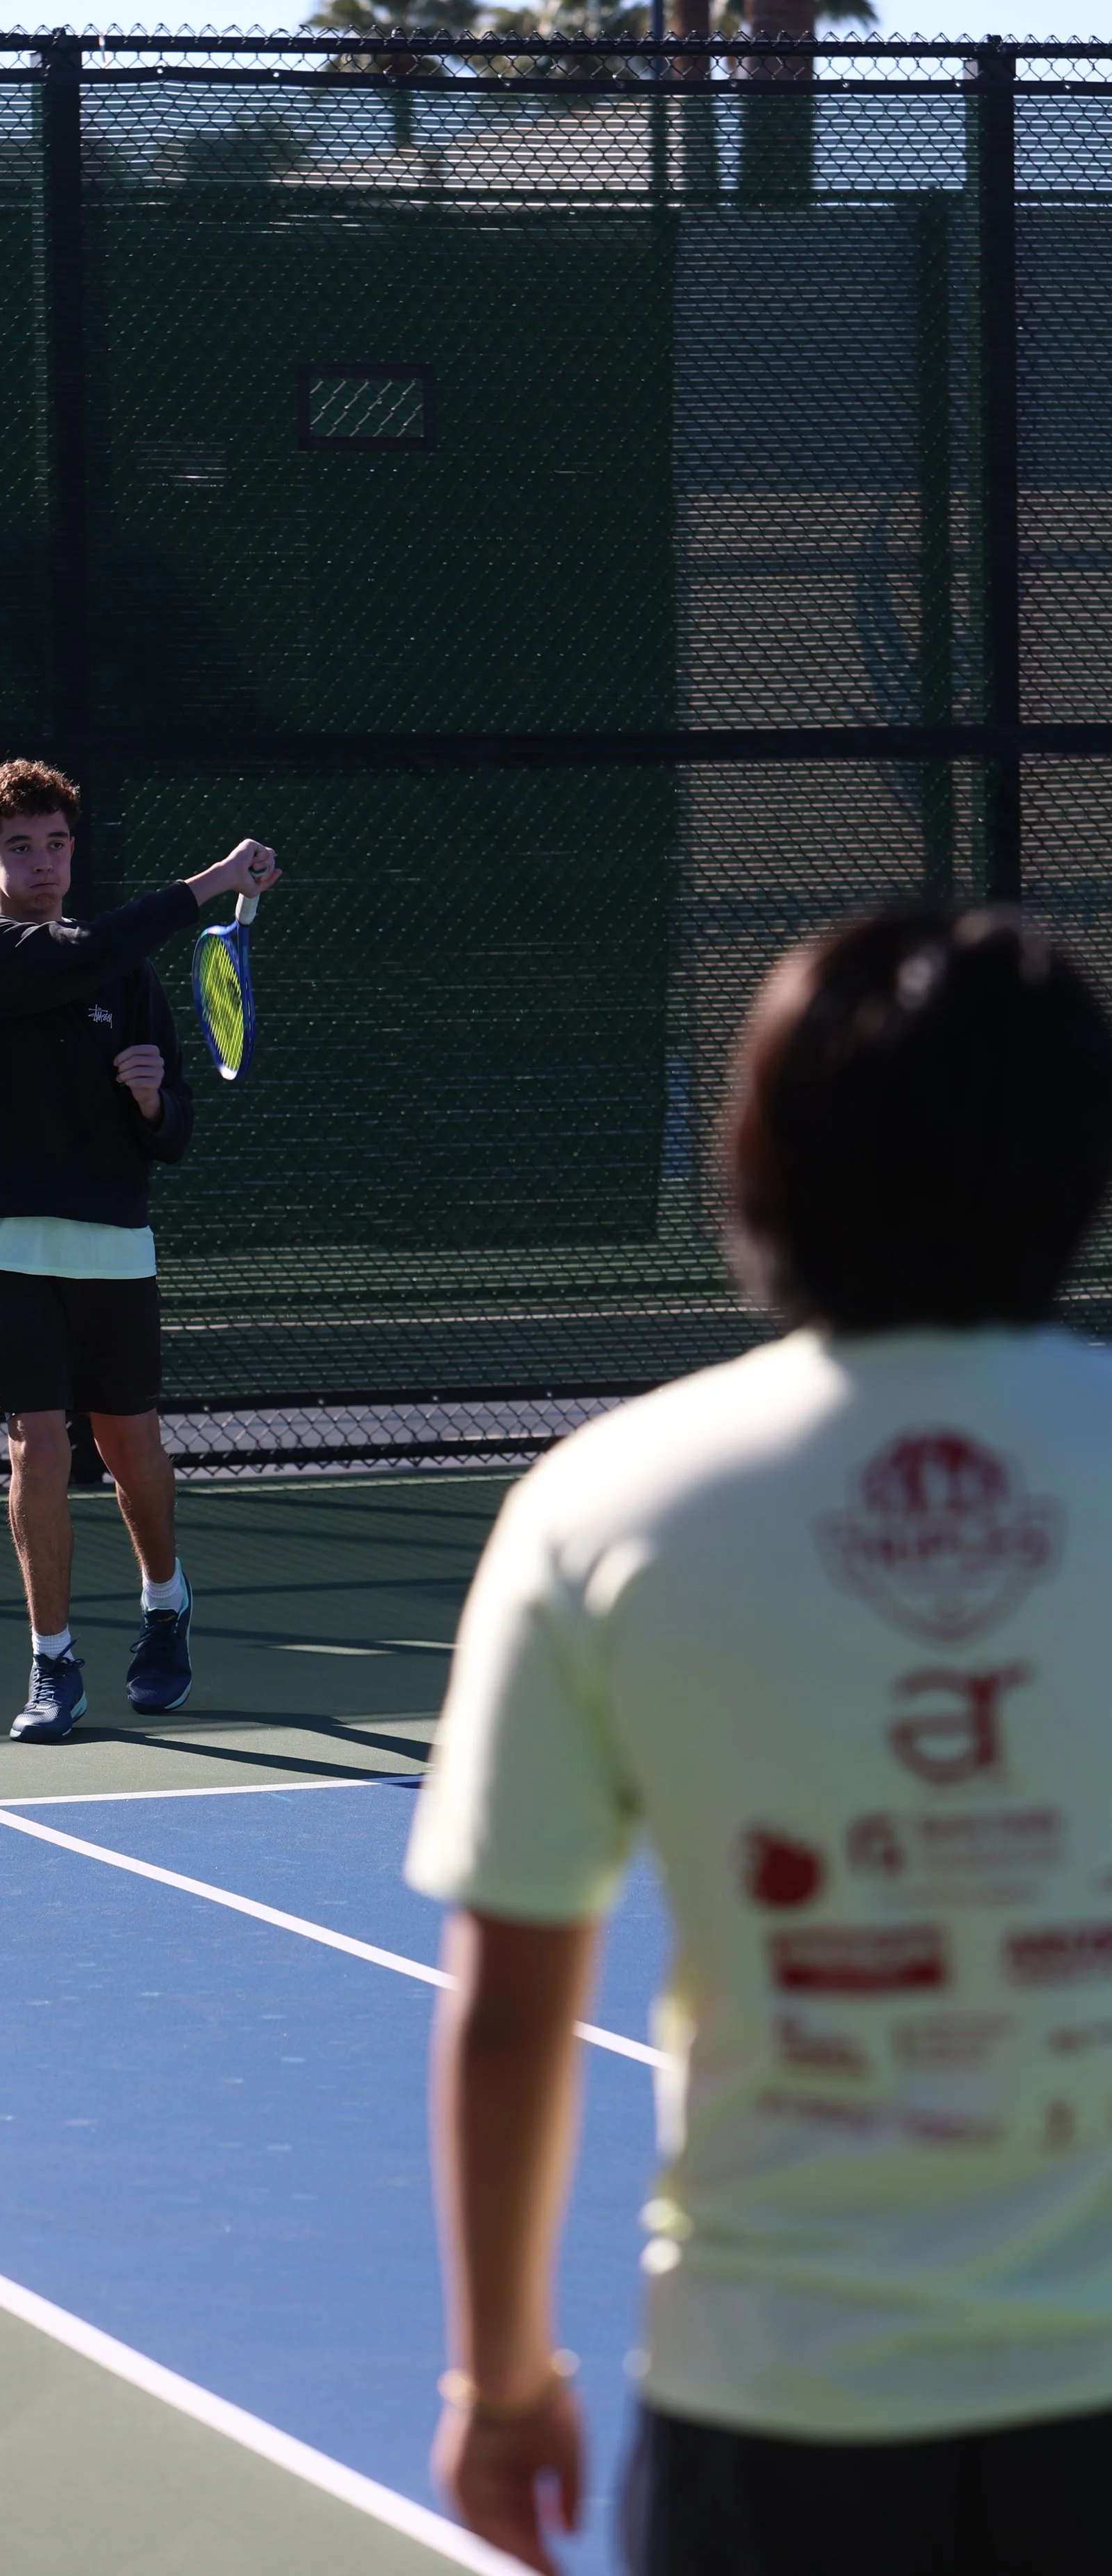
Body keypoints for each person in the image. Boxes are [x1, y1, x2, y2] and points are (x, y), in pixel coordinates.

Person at [405, 905, 1112, 2575]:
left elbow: (512, 2018)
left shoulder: (608, 1503)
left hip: (772, 2416)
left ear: (764, 1160)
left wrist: (503, 2387)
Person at [0, 757, 279, 1743]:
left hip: (114, 1241)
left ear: (72, 850)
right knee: (37, 1446)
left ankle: (165, 1602)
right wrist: (211, 881)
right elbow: (78, 950)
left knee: (131, 1445)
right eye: (19, 849)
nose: (42, 864)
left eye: (55, 845)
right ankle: (53, 1664)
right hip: (8, 1240)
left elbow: (172, 1134)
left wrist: (149, 1098)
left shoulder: (127, 981)